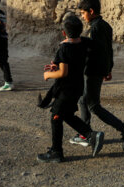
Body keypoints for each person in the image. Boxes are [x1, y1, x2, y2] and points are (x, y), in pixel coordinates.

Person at [71, 0, 124, 153]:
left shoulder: (96, 28)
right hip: (99, 70)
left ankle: (123, 128)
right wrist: (108, 68)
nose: (82, 16)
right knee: (83, 100)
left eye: (83, 13)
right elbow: (108, 50)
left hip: (93, 71)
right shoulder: (105, 25)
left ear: (91, 11)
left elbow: (96, 51)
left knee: (93, 105)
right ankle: (85, 133)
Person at [37, 15, 105, 163]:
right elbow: (69, 64)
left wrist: (48, 74)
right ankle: (91, 135)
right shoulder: (83, 43)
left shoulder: (64, 48)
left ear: (63, 32)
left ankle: (56, 152)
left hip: (66, 89)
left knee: (56, 116)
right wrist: (59, 64)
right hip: (78, 87)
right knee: (66, 114)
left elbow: (63, 73)